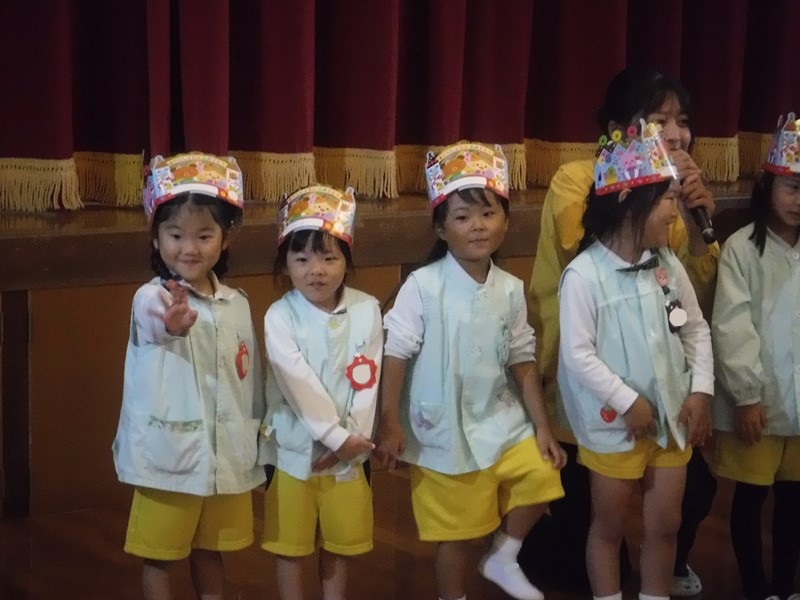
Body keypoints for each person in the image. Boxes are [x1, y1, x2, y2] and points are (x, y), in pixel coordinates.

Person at [523, 66, 718, 597]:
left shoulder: (668, 224)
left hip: (663, 401)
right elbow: (590, 247)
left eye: (682, 121)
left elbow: (693, 307)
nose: (676, 134)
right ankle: (528, 542)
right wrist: (647, 191)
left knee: (682, 504)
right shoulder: (578, 180)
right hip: (589, 404)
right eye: (659, 120)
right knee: (590, 541)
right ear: (618, 130)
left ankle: (668, 569)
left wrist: (692, 219)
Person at [375, 142, 567, 600]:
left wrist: (542, 426)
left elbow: (522, 358)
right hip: (443, 428)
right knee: (457, 535)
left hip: (499, 417)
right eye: (462, 217)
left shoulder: (511, 288)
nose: (477, 226)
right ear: (441, 229)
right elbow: (396, 354)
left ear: (506, 221)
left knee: (543, 476)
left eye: (487, 213)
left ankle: (503, 554)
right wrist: (390, 421)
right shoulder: (423, 286)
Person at [113, 152, 266, 600]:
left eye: (204, 235)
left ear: (226, 238)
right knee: (161, 556)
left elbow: (248, 379)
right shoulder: (152, 298)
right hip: (171, 457)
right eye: (176, 235)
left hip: (225, 454)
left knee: (210, 551)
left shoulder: (237, 302)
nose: (189, 248)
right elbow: (158, 326)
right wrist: (172, 325)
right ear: (156, 237)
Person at [260, 184, 383, 600]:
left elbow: (368, 380)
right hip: (294, 450)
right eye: (302, 259)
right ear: (286, 265)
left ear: (347, 260)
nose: (317, 270)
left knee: (339, 544)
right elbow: (297, 383)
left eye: (329, 258)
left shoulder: (367, 309)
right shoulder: (280, 316)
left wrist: (353, 440)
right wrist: (335, 436)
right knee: (290, 546)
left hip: (351, 451)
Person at [711, 113, 800, 600]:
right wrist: (747, 395)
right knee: (750, 499)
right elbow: (731, 326)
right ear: (769, 187)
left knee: (794, 502)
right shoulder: (742, 250)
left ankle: (785, 587)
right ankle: (756, 589)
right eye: (792, 188)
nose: (799, 200)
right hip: (760, 404)